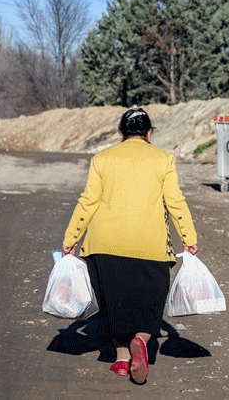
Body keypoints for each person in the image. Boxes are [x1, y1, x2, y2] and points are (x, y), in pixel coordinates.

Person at [62, 107, 198, 384]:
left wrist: (71, 239)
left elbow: (88, 201)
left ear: (120, 132)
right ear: (149, 133)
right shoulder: (163, 159)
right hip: (150, 246)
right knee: (150, 303)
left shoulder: (102, 159)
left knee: (114, 304)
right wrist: (189, 238)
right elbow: (175, 202)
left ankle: (122, 358)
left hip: (104, 244)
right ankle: (141, 339)